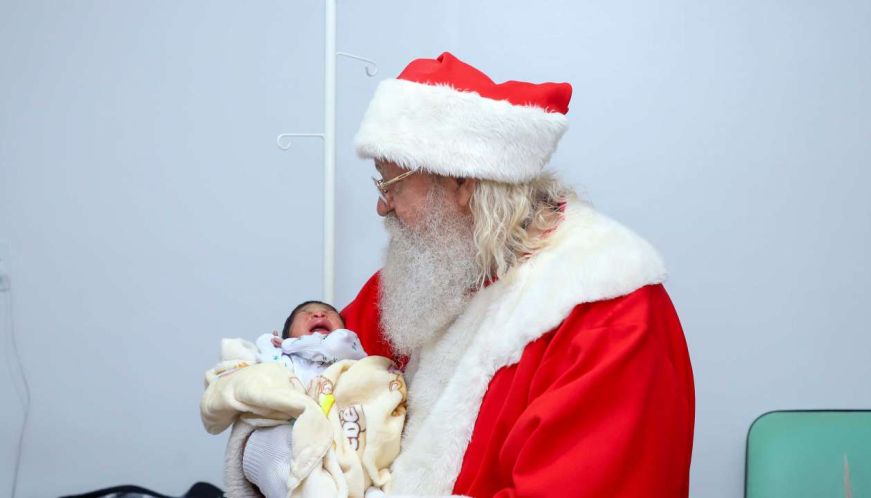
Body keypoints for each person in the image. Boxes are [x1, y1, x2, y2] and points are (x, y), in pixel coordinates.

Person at [341, 52, 695, 497]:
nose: (382, 206)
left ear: (462, 182)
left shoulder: (609, 313)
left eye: (392, 184)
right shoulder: (437, 271)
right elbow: (317, 363)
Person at [200, 302, 407, 498]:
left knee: (373, 484)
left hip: (347, 432)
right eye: (306, 313)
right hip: (299, 429)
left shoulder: (354, 355)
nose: (318, 314)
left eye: (328, 312)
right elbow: (261, 377)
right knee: (289, 454)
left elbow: (363, 375)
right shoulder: (284, 358)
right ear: (286, 335)